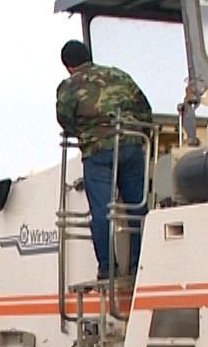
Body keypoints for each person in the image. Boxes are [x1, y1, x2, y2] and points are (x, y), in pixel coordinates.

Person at [55, 39, 152, 280]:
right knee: (138, 208)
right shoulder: (119, 75)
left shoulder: (69, 86)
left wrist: (84, 134)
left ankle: (107, 267)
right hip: (131, 144)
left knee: (101, 212)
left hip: (98, 152)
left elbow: (64, 120)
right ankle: (139, 264)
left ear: (68, 66)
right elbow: (144, 109)